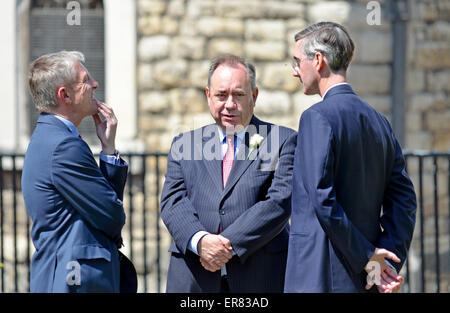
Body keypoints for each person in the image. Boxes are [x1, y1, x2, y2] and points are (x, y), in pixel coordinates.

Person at [284, 22, 417, 293]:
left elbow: (323, 199)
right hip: (363, 281)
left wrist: (369, 258)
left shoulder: (316, 117)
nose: (294, 71)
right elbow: (405, 200)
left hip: (319, 278)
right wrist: (385, 263)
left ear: (318, 60)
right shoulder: (379, 121)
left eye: (297, 61)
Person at [160, 54, 297, 292]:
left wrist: (226, 246)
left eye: (239, 95)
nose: (230, 104)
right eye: (221, 95)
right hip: (195, 278)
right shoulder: (184, 144)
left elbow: (278, 203)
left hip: (259, 277)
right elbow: (173, 202)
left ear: (254, 96)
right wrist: (201, 242)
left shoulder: (280, 141)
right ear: (208, 95)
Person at [22, 51, 136, 292]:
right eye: (85, 80)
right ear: (65, 95)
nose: (95, 84)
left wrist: (108, 149)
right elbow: (112, 215)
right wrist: (108, 154)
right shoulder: (64, 145)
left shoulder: (51, 136)